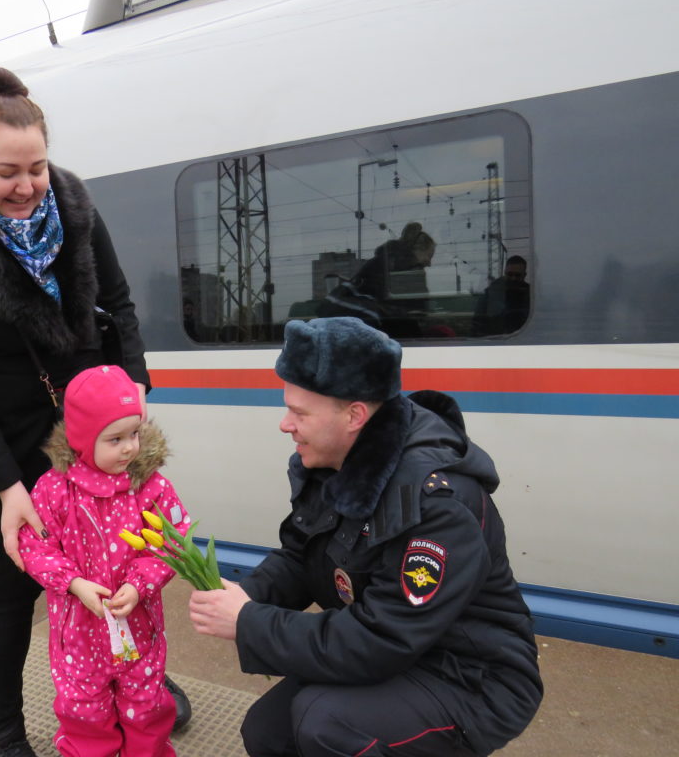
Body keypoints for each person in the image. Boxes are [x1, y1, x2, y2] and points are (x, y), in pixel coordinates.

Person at [0, 67, 188, 757]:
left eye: (37, 166)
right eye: (6, 172)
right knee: (3, 595)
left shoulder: (75, 210)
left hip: (84, 435)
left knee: (117, 572)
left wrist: (133, 388)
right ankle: (4, 729)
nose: (28, 186)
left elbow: (117, 303)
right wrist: (5, 487)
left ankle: (137, 690)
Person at [189, 317, 542, 757]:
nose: (285, 425)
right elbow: (302, 555)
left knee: (326, 724)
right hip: (405, 649)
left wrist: (249, 622)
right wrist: (246, 594)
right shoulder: (337, 463)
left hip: (471, 677)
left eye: (299, 413)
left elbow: (382, 639)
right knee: (266, 732)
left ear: (355, 414)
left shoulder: (436, 504)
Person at [19, 365, 187, 757]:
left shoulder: (151, 486)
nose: (129, 448)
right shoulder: (54, 490)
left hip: (139, 628)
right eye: (114, 439)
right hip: (78, 633)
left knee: (146, 704)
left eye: (134, 434)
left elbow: (171, 541)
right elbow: (34, 545)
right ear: (81, 439)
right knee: (83, 709)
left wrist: (140, 584)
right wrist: (74, 583)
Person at [472, 255, 530, 335]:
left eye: (517, 275)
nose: (513, 278)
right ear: (505, 273)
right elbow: (477, 322)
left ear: (524, 275)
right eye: (510, 274)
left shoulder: (531, 295)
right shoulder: (491, 293)